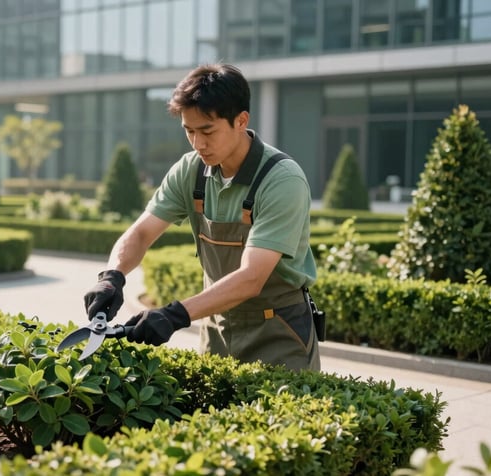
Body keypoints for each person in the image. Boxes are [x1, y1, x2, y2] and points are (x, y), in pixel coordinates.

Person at [84, 63, 320, 371]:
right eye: (189, 131)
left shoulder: (282, 179)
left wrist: (174, 314)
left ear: (241, 120)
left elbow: (251, 278)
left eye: (207, 131)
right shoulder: (190, 170)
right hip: (217, 328)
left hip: (278, 331)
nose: (198, 144)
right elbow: (141, 233)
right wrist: (112, 277)